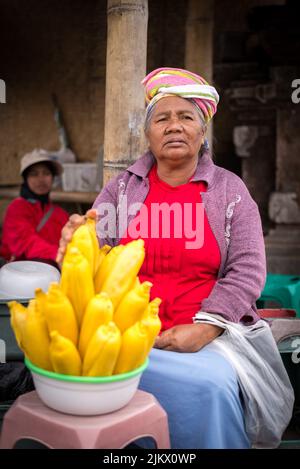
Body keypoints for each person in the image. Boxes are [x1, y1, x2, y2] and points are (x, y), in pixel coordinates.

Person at [57, 67, 294, 449]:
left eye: (186, 117)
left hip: (207, 338)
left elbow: (248, 270)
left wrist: (205, 327)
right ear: (148, 134)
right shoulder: (121, 190)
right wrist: (73, 243)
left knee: (210, 385)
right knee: (85, 387)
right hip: (122, 336)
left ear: (202, 133)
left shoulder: (230, 192)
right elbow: (90, 251)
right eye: (162, 118)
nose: (173, 126)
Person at [0, 149, 69, 266]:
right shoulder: (17, 208)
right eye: (34, 174)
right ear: (25, 179)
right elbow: (26, 243)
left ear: (52, 178)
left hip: (53, 275)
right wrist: (59, 255)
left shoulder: (60, 213)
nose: (41, 179)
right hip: (20, 275)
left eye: (46, 173)